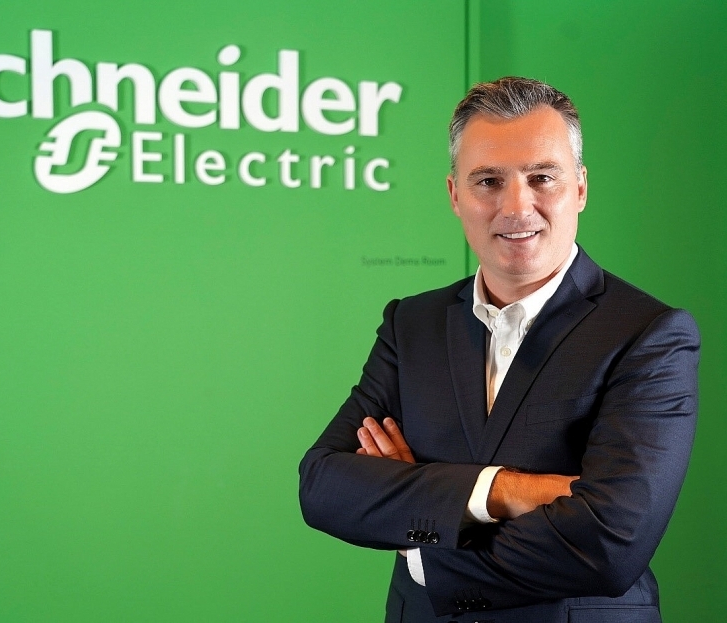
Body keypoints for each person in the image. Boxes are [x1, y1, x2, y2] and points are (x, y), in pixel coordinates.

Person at [298, 77, 699, 623]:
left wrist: (421, 538)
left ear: (580, 188)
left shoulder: (649, 333)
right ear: (454, 195)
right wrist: (503, 491)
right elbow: (323, 485)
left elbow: (609, 544)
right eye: (488, 181)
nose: (516, 206)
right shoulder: (411, 324)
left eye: (542, 178)